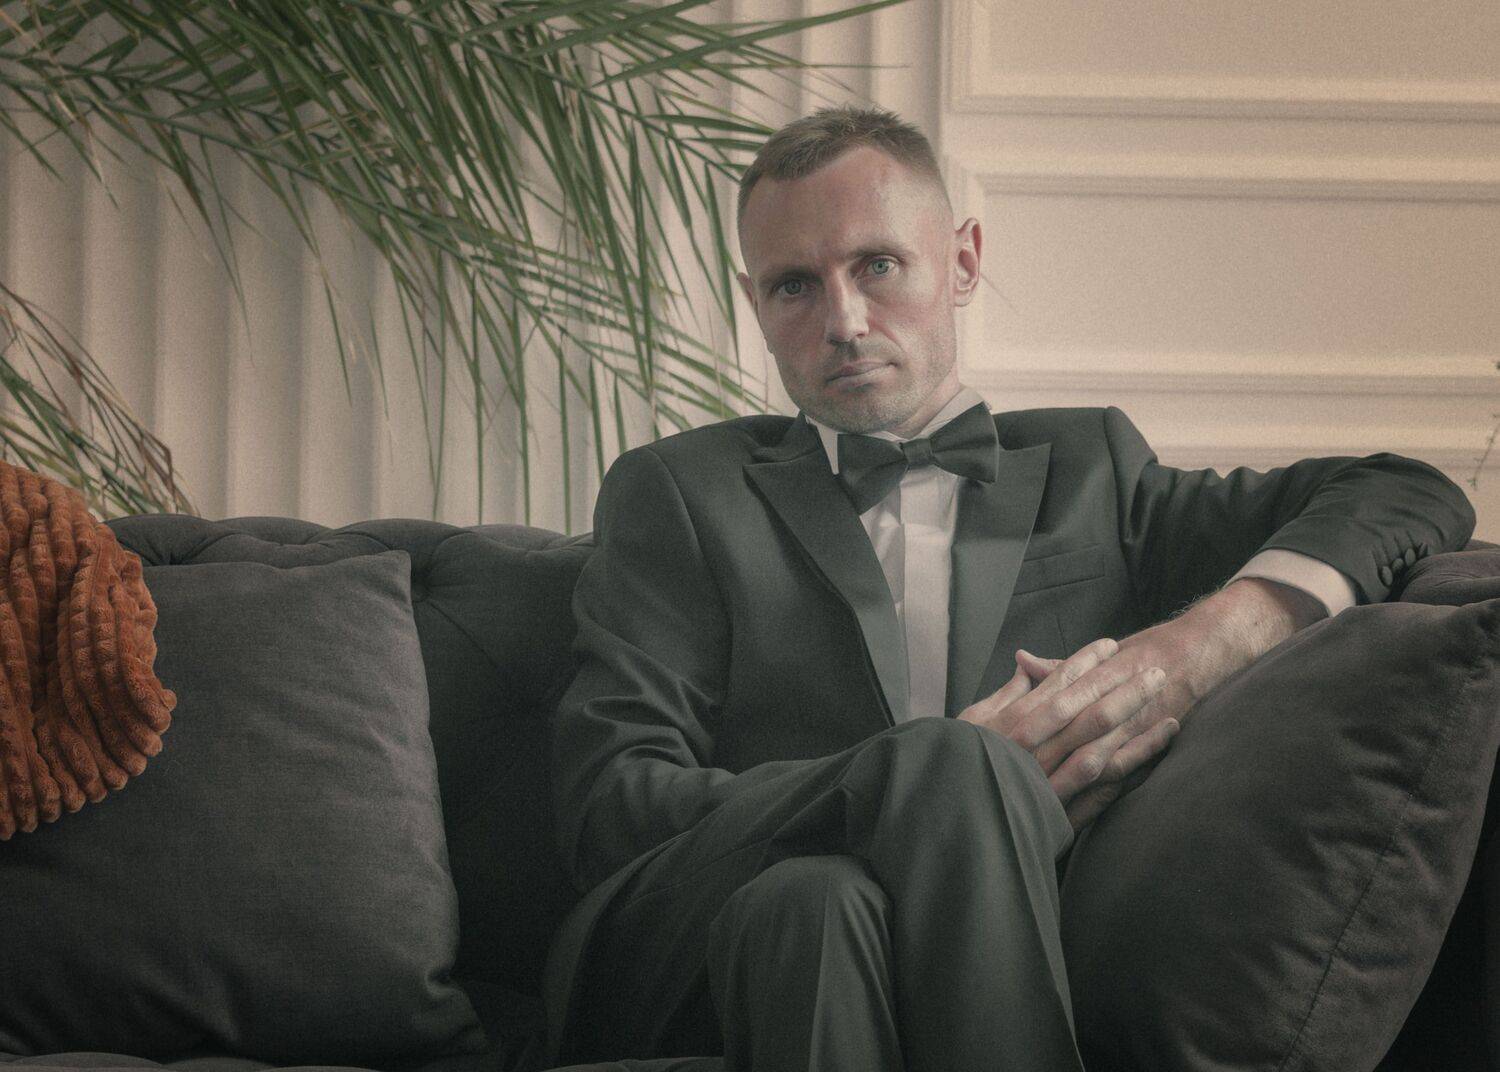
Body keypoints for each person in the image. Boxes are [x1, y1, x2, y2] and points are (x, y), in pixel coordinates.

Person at [542, 107, 1475, 1072]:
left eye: (877, 265)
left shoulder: (1094, 472)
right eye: (793, 286)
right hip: (682, 945)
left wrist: (1202, 643)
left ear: (962, 262)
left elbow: (1406, 491)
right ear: (755, 302)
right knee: (929, 778)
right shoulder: (680, 492)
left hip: (831, 934)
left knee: (818, 905)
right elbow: (613, 803)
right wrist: (912, 780)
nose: (843, 322)